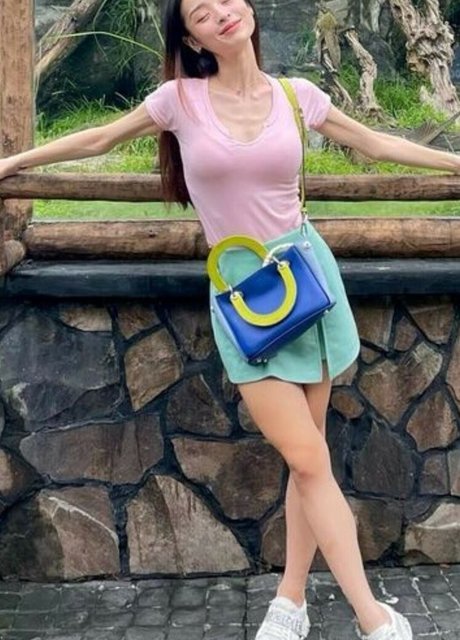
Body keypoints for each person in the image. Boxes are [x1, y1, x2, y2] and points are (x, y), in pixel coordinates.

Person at [1, 1, 460, 638]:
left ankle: (291, 601)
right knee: (307, 457)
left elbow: (376, 143)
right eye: (200, 12)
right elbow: (98, 138)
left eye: (225, 0)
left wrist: (455, 164)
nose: (220, 13)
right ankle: (373, 617)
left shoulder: (297, 96)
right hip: (244, 300)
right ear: (191, 38)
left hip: (307, 288)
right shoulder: (179, 101)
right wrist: (11, 164)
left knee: (308, 462)